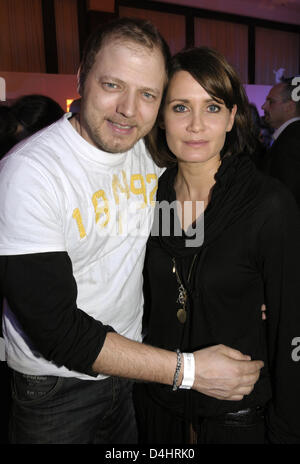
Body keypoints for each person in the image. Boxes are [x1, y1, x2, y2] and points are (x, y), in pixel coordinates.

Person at [0, 19, 263, 444]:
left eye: (148, 95)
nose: (128, 109)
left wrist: (252, 290)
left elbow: (192, 225)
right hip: (57, 388)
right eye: (112, 85)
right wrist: (188, 371)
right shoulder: (29, 175)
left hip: (137, 373)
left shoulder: (149, 151)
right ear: (82, 77)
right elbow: (57, 330)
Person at [134, 47, 300, 444]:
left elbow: (291, 323)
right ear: (161, 118)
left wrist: (287, 430)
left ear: (231, 117)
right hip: (158, 409)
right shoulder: (150, 196)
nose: (195, 125)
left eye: (211, 108)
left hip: (238, 419)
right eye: (179, 108)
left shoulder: (267, 204)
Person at [262, 78, 300, 207]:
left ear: (289, 107)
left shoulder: (291, 141)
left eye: (271, 102)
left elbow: (287, 196)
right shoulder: (290, 136)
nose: (263, 106)